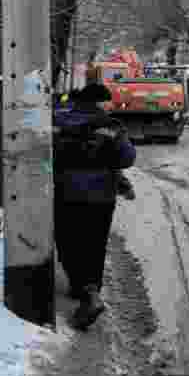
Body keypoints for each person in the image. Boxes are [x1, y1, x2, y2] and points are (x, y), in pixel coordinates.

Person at [53, 82, 137, 330]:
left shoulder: (58, 119)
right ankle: (91, 291)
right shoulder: (110, 126)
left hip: (65, 192)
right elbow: (128, 157)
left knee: (68, 240)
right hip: (101, 197)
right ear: (100, 102)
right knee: (95, 243)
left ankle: (82, 288)